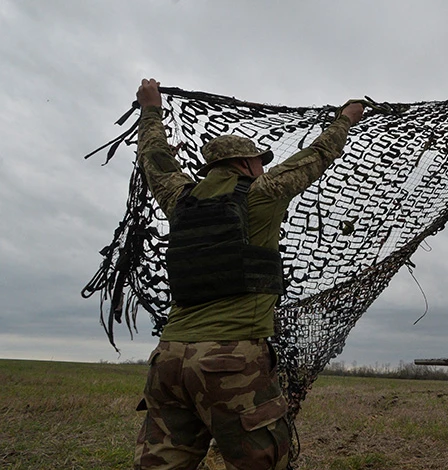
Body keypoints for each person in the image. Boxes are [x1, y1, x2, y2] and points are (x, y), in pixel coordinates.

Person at [132, 78, 364, 470]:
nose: (263, 167)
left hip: (169, 359)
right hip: (230, 359)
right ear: (243, 164)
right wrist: (345, 120)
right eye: (259, 161)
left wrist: (150, 109)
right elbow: (317, 156)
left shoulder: (179, 197)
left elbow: (154, 158)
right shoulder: (263, 193)